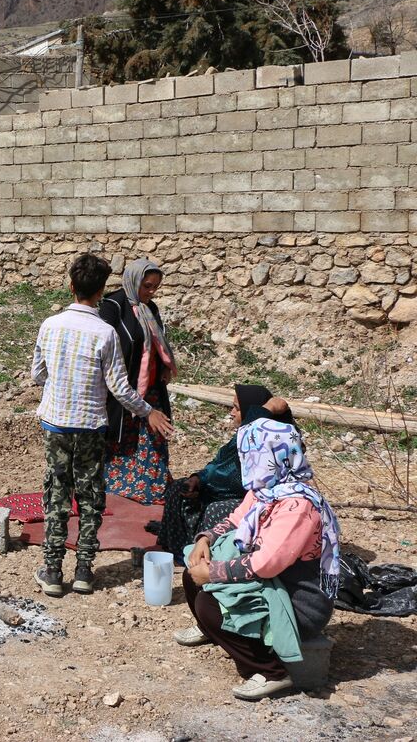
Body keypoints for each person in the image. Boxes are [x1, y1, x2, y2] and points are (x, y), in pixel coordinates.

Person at [31, 254, 174, 598]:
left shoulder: (50, 325)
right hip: (92, 425)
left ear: (71, 286)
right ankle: (83, 571)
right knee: (92, 496)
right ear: (100, 293)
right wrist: (146, 411)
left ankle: (52, 571)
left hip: (57, 424)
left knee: (57, 493)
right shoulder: (105, 332)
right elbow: (120, 388)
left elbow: (38, 374)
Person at [176, 416, 341, 701]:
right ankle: (215, 631)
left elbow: (267, 562)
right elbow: (236, 519)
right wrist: (205, 539)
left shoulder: (297, 505)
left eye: (251, 454)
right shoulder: (266, 490)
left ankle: (273, 672)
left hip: (299, 600)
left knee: (209, 603)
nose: (246, 461)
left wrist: (213, 573)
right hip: (274, 582)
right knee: (192, 573)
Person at [155, 385, 295, 559]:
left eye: (237, 408)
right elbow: (218, 464)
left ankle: (211, 558)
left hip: (253, 500)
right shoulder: (240, 439)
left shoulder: (266, 440)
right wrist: (198, 479)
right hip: (218, 491)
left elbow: (242, 480)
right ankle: (177, 548)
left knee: (216, 510)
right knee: (178, 488)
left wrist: (268, 409)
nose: (231, 413)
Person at [100, 258, 177, 504]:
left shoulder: (150, 309)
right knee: (122, 437)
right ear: (134, 282)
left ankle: (151, 485)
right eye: (147, 286)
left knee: (154, 435)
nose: (151, 292)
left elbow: (158, 341)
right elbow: (107, 345)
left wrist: (165, 366)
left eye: (155, 287)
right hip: (123, 387)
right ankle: (117, 484)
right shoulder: (113, 307)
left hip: (151, 386)